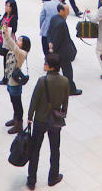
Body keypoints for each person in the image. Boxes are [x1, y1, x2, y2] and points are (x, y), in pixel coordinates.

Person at [26, 53, 70, 190]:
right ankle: (53, 177)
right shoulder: (65, 81)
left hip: (40, 119)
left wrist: (29, 117)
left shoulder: (42, 81)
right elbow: (65, 102)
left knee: (35, 150)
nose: (44, 64)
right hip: (55, 120)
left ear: (50, 67)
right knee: (55, 149)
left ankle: (32, 180)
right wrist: (63, 114)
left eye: (45, 63)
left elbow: (34, 100)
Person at [1, 19, 31, 134]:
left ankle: (19, 123)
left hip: (15, 82)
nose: (17, 41)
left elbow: (11, 43)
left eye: (20, 40)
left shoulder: (21, 53)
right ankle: (15, 119)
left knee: (17, 103)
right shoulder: (17, 50)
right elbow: (8, 42)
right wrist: (4, 31)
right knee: (13, 101)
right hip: (10, 80)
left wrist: (7, 33)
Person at [47, 3, 81, 95]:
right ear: (61, 11)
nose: (68, 12)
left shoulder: (54, 18)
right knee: (68, 72)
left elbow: (49, 32)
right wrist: (53, 50)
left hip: (57, 50)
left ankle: (47, 86)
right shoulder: (61, 23)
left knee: (52, 70)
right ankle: (71, 89)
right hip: (62, 53)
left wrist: (50, 43)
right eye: (67, 10)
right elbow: (58, 39)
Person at [0, 0, 19, 86]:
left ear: (12, 8)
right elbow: (2, 25)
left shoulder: (14, 18)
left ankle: (6, 77)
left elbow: (14, 30)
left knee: (7, 59)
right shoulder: (5, 15)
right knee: (5, 58)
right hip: (3, 39)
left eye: (8, 6)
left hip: (8, 41)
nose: (6, 7)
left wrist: (5, 29)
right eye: (5, 5)